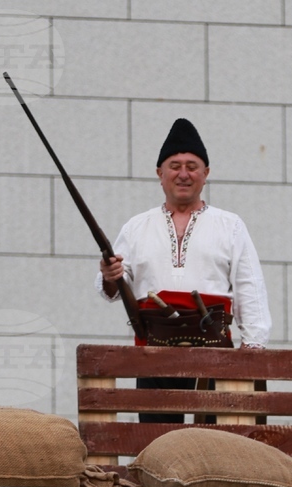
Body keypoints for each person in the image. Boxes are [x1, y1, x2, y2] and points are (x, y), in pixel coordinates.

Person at [96, 118, 271, 422]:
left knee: (218, 447)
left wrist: (252, 350)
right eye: (175, 165)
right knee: (158, 444)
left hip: (215, 352)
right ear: (160, 174)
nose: (183, 174)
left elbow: (249, 286)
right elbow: (113, 289)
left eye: (192, 166)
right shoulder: (137, 227)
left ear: (206, 174)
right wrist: (111, 277)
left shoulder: (230, 225)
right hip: (154, 353)